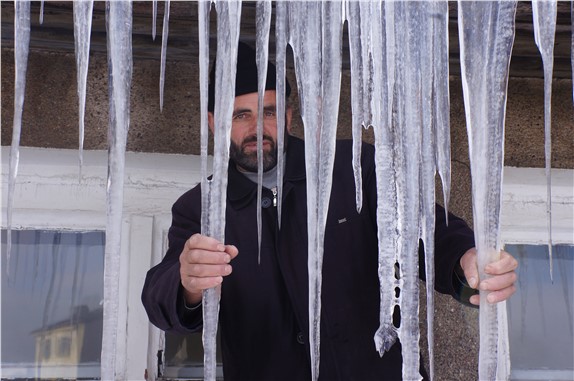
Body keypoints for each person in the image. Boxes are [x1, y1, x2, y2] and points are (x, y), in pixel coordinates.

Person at [141, 42, 518, 380]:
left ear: (288, 116)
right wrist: (187, 284)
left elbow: (426, 229)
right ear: (214, 123)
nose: (258, 128)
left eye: (269, 111)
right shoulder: (200, 208)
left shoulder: (353, 170)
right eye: (240, 115)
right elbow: (159, 297)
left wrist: (466, 260)